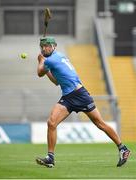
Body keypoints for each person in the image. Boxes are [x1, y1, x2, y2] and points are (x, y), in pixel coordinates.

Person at [36, 36, 130, 168]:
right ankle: (50, 157)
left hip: (80, 95)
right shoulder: (57, 57)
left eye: (46, 46)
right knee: (51, 123)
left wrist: (40, 61)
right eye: (42, 46)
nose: (44, 48)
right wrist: (45, 67)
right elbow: (56, 81)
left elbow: (39, 73)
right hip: (68, 97)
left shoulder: (51, 60)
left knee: (100, 124)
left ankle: (123, 148)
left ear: (53, 46)